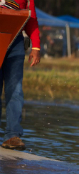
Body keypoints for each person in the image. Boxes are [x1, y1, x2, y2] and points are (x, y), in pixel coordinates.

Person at [1, 0, 41, 151]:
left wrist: (36, 46)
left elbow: (31, 19)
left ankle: (12, 135)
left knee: (15, 89)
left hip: (15, 41)